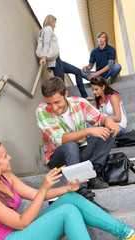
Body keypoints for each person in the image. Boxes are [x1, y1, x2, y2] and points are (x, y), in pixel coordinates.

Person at [0, 141, 135, 240]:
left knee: (71, 197)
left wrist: (67, 188)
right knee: (67, 211)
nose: (10, 157)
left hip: (22, 231)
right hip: (12, 237)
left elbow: (34, 195)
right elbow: (22, 223)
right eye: (5, 156)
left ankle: (126, 233)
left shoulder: (7, 177)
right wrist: (44, 187)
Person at [36, 76, 121, 204]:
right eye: (49, 103)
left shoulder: (79, 103)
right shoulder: (42, 111)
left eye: (57, 102)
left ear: (65, 94)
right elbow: (61, 139)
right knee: (70, 145)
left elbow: (99, 117)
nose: (53, 108)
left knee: (109, 130)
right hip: (58, 159)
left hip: (80, 151)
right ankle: (81, 192)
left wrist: (108, 120)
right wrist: (88, 130)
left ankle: (94, 173)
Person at [38, 14, 93, 100]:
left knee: (78, 71)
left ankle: (84, 95)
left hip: (57, 60)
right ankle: (62, 101)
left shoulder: (45, 30)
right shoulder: (48, 29)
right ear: (51, 21)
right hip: (55, 61)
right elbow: (46, 43)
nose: (55, 25)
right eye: (54, 23)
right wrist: (44, 57)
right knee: (61, 84)